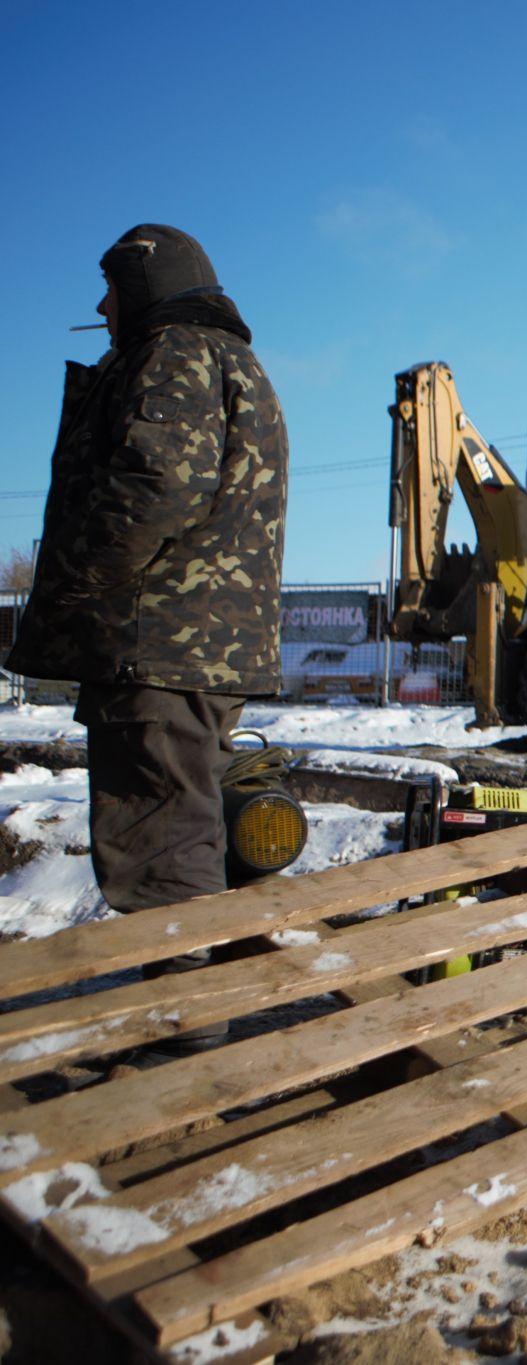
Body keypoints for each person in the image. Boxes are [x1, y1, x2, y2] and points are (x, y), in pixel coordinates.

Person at [8, 225, 288, 985]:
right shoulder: (235, 364)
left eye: (111, 289)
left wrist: (71, 587)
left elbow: (154, 487)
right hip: (200, 649)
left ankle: (179, 1048)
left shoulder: (174, 355)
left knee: (160, 852)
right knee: (191, 834)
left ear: (146, 284)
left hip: (156, 645)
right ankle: (202, 1021)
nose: (102, 308)